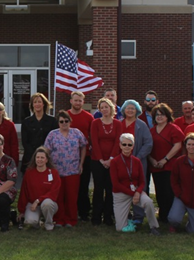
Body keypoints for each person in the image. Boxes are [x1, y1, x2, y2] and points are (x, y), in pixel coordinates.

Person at [111, 133, 161, 235]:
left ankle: (154, 227)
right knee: (120, 228)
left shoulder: (137, 161)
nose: (127, 147)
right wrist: (133, 193)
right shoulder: (114, 162)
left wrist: (138, 192)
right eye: (124, 144)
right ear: (120, 145)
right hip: (121, 194)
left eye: (129, 145)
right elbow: (116, 184)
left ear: (133, 146)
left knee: (148, 202)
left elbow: (142, 181)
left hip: (136, 192)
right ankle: (128, 220)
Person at [44, 110, 87, 227]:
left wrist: (81, 163)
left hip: (73, 170)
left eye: (66, 121)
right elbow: (46, 151)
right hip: (56, 170)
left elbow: (83, 146)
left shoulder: (76, 133)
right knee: (58, 196)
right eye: (61, 121)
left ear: (70, 121)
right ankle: (59, 219)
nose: (64, 123)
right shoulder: (52, 134)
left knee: (71, 197)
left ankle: (71, 219)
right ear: (58, 123)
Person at [147, 103, 183, 224]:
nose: (159, 117)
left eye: (162, 114)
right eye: (157, 115)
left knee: (169, 191)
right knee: (159, 191)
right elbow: (147, 147)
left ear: (167, 116)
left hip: (170, 165)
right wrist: (152, 160)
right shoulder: (151, 131)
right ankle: (162, 216)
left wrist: (165, 159)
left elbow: (178, 145)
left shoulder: (173, 128)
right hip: (156, 166)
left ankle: (171, 216)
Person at [119, 99, 153, 225]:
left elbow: (148, 143)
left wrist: (137, 157)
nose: (130, 110)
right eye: (128, 108)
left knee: (138, 186)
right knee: (123, 187)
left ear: (137, 110)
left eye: (133, 108)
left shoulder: (142, 125)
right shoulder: (119, 123)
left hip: (138, 161)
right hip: (122, 162)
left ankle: (138, 215)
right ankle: (125, 214)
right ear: (124, 110)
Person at [89, 97, 122, 226]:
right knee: (98, 189)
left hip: (113, 161)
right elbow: (94, 141)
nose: (104, 109)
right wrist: (101, 159)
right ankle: (96, 217)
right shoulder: (95, 123)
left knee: (110, 189)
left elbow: (117, 142)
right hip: (97, 160)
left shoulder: (118, 124)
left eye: (106, 107)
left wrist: (111, 159)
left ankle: (108, 217)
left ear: (111, 108)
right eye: (101, 107)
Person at [66, 91, 94, 222]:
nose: (77, 103)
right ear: (71, 101)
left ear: (83, 102)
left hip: (85, 156)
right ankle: (69, 210)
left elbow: (92, 136)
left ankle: (84, 212)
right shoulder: (65, 116)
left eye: (80, 100)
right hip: (67, 157)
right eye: (75, 100)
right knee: (69, 185)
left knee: (83, 185)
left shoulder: (89, 117)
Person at [18, 147, 60, 231]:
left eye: (42, 157)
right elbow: (24, 192)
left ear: (46, 160)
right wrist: (21, 211)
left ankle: (49, 224)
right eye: (37, 157)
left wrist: (38, 200)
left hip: (48, 204)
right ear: (34, 159)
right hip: (32, 204)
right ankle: (37, 223)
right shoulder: (29, 172)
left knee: (47, 204)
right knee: (30, 221)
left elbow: (53, 192)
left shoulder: (53, 172)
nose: (39, 160)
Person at [21, 93, 58, 173]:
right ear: (32, 105)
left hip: (47, 158)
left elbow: (55, 140)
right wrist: (35, 156)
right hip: (30, 158)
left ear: (43, 104)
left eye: (39, 102)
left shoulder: (52, 121)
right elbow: (25, 142)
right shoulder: (26, 122)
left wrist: (44, 155)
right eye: (35, 102)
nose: (37, 104)